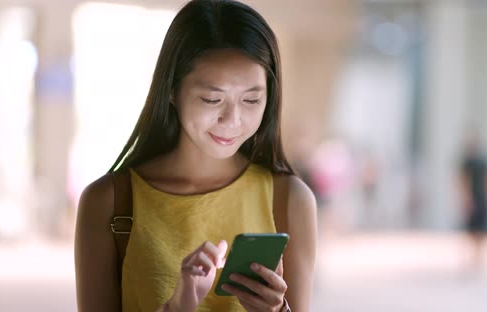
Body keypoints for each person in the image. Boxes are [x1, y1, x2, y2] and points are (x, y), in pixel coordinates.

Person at [74, 1, 317, 311]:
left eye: (252, 99)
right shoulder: (109, 201)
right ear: (172, 90)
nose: (232, 119)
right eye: (212, 99)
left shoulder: (288, 199)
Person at [458, 132, 487, 271]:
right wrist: (465, 197)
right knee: (471, 228)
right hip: (472, 197)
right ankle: (472, 255)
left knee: (481, 227)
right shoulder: (467, 161)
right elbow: (463, 180)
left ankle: (478, 255)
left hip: (481, 196)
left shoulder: (484, 161)